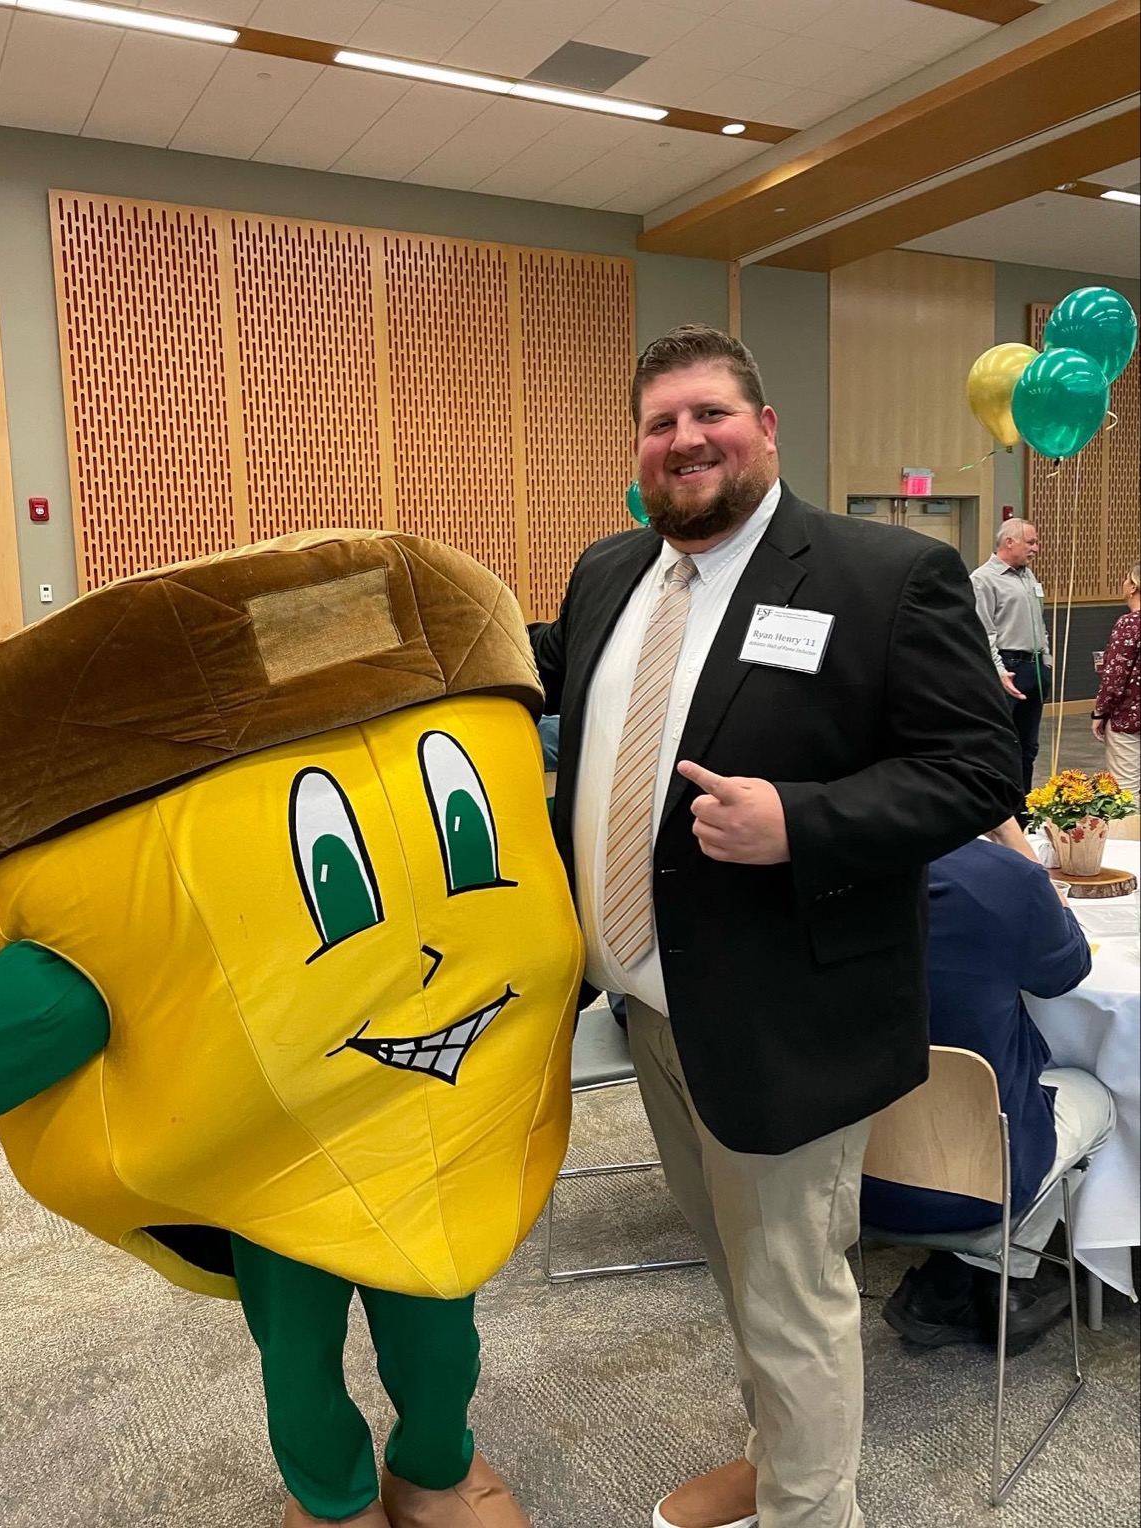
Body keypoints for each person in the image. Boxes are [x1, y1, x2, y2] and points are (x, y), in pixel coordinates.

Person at [0, 528, 585, 1528]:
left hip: (433, 1136)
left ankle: (436, 1464)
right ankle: (331, 1496)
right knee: (300, 1355)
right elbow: (68, 981)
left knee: (441, 1331)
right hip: (277, 1160)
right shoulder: (146, 870)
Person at [530, 324, 1020, 1528]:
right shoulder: (603, 574)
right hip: (646, 1004)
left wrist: (802, 821)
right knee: (737, 1275)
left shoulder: (882, 574)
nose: (684, 439)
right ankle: (777, 1460)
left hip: (788, 1010)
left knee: (794, 1291)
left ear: (766, 429)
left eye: (709, 414)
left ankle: (813, 1509)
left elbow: (977, 767)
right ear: (638, 450)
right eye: (660, 423)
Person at [864, 819, 1114, 1352]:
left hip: (834, 1172)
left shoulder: (819, 864)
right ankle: (1006, 1282)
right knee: (1094, 1092)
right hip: (980, 1189)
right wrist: (1017, 846)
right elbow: (1069, 969)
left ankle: (949, 1279)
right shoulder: (1006, 877)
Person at [970, 519, 1052, 797]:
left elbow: (1039, 624)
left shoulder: (1027, 576)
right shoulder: (982, 579)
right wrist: (999, 671)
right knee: (1003, 746)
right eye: (1030, 542)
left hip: (1035, 668)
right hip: (1007, 669)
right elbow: (984, 632)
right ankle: (998, 810)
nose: (1036, 549)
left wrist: (1047, 661)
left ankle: (1022, 808)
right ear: (1009, 543)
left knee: (1029, 747)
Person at [1091, 561, 1140, 796]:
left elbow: (1115, 677)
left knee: (1126, 791)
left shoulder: (1129, 623)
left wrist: (1100, 711)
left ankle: (1128, 834)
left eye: (1126, 579)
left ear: (1133, 586)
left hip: (1129, 718)